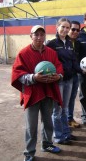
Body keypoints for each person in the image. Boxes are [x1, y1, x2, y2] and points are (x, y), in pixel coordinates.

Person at [11, 25, 63, 161]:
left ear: (45, 36)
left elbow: (58, 67)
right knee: (31, 126)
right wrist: (33, 77)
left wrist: (58, 76)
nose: (39, 37)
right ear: (31, 36)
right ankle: (29, 153)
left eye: (42, 35)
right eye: (36, 34)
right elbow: (18, 74)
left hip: (48, 92)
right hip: (32, 94)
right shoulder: (23, 53)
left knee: (47, 122)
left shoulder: (51, 52)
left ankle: (47, 144)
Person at [46, 18, 82, 145]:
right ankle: (59, 137)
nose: (65, 30)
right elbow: (46, 63)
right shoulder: (51, 44)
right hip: (58, 82)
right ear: (57, 27)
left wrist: (83, 70)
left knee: (65, 109)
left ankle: (66, 134)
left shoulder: (68, 43)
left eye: (68, 27)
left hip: (69, 80)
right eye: (63, 27)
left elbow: (73, 62)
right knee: (57, 111)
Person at [67, 20, 81, 128]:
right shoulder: (61, 42)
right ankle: (62, 124)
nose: (75, 31)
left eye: (77, 30)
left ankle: (69, 119)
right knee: (62, 101)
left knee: (72, 99)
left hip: (75, 76)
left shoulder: (78, 43)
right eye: (73, 29)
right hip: (64, 78)